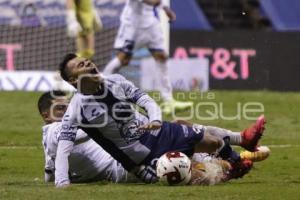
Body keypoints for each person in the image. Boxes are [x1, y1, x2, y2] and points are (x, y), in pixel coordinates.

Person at [55, 53, 266, 187]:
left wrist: (155, 120)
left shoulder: (116, 81)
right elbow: (64, 147)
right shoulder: (77, 110)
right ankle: (223, 170)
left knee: (213, 142)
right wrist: (62, 181)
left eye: (86, 60)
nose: (88, 62)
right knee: (192, 178)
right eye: (81, 64)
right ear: (74, 80)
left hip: (157, 131)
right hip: (143, 155)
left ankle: (237, 163)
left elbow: (145, 99)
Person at [102, 0, 192, 114]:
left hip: (150, 22)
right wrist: (160, 4)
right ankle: (100, 88)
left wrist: (166, 9)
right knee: (123, 59)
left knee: (161, 56)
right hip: (133, 25)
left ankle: (169, 101)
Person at [38, 91, 138, 184]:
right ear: (46, 116)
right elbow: (75, 136)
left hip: (122, 161)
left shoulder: (48, 137)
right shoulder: (55, 129)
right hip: (120, 167)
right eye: (60, 108)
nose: (68, 111)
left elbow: (49, 168)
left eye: (69, 106)